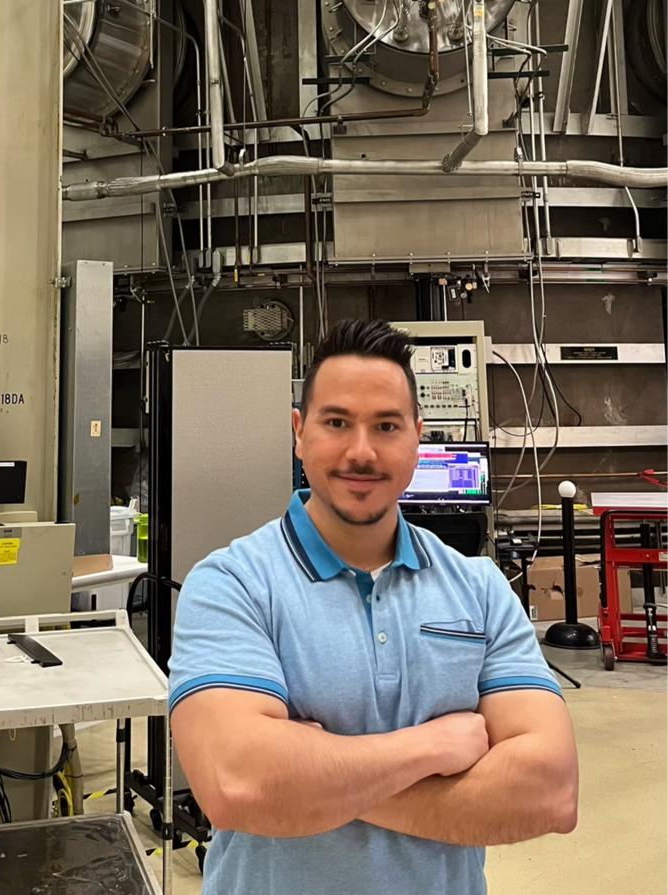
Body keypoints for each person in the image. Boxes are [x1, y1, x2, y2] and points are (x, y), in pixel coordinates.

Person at [169, 318, 578, 895]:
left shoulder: (479, 587)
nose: (361, 452)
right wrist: (431, 747)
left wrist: (315, 775)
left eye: (386, 426)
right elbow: (237, 785)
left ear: (417, 435)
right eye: (337, 422)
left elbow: (551, 792)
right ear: (298, 431)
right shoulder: (233, 583)